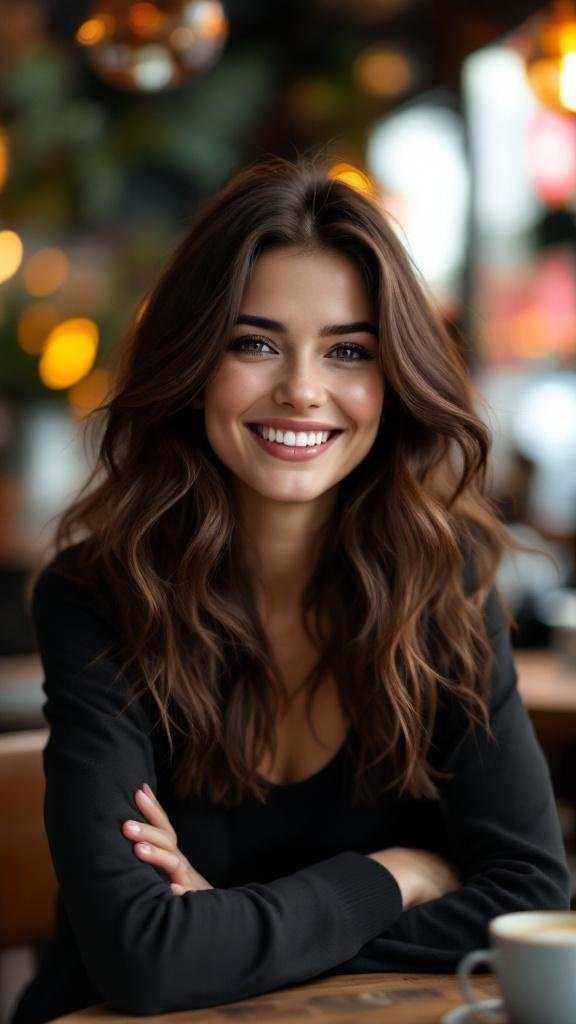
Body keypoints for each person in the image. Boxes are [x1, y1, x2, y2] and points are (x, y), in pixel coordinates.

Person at [13, 157, 570, 1024]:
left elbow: (531, 899)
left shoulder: (443, 582)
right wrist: (397, 875)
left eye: (349, 350)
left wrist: (226, 930)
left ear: (393, 381)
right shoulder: (99, 596)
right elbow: (147, 959)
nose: (304, 390)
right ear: (197, 363)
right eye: (256, 343)